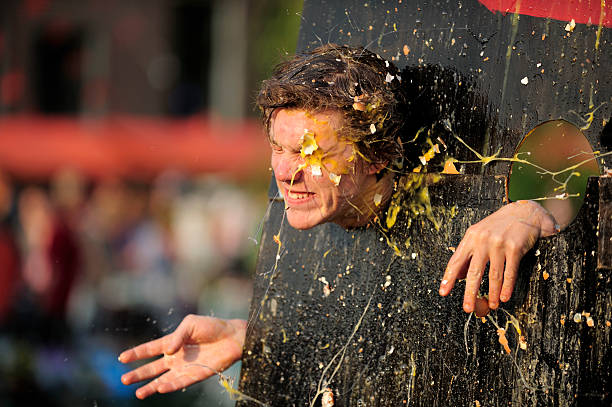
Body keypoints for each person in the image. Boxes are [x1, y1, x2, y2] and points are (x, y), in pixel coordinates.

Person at [119, 44, 559, 399]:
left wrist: (531, 215)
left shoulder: (458, 214)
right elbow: (365, 346)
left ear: (378, 157)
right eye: (278, 148)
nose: (286, 173)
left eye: (311, 153)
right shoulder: (315, 230)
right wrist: (252, 337)